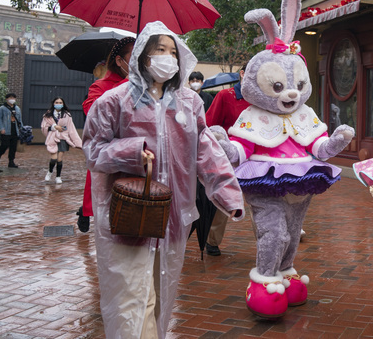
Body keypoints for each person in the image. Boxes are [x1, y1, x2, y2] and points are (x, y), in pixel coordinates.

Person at [83, 21, 244, 339]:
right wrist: (132, 150)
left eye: (174, 52)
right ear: (143, 56)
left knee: (161, 297)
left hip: (174, 217)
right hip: (129, 215)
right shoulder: (114, 102)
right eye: (161, 50)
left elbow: (206, 151)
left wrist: (229, 197)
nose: (168, 58)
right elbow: (92, 150)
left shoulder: (189, 102)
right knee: (133, 298)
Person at [77, 36, 135, 232]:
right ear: (120, 61)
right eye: (133, 57)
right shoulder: (101, 86)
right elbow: (91, 111)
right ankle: (85, 212)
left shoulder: (148, 86)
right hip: (109, 156)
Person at [202, 63, 249, 256]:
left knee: (262, 203)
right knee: (226, 198)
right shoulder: (225, 96)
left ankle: (268, 242)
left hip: (255, 158)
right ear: (242, 73)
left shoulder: (262, 100)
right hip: (229, 158)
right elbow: (209, 124)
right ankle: (212, 240)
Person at [41, 97, 83, 184]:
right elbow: (44, 127)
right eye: (57, 102)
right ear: (53, 103)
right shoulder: (48, 115)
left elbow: (71, 128)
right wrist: (54, 127)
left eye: (60, 102)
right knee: (54, 158)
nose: (58, 104)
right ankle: (50, 171)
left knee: (59, 159)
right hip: (52, 138)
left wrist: (77, 141)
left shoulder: (67, 115)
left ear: (63, 104)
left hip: (63, 138)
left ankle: (58, 176)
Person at [0, 93, 23, 168]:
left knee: (13, 147)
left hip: (15, 130)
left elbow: (20, 119)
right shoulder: (2, 108)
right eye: (10, 98)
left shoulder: (17, 108)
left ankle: (11, 161)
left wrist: (21, 128)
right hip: (6, 130)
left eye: (13, 98)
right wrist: (1, 128)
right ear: (6, 99)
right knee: (4, 145)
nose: (12, 99)